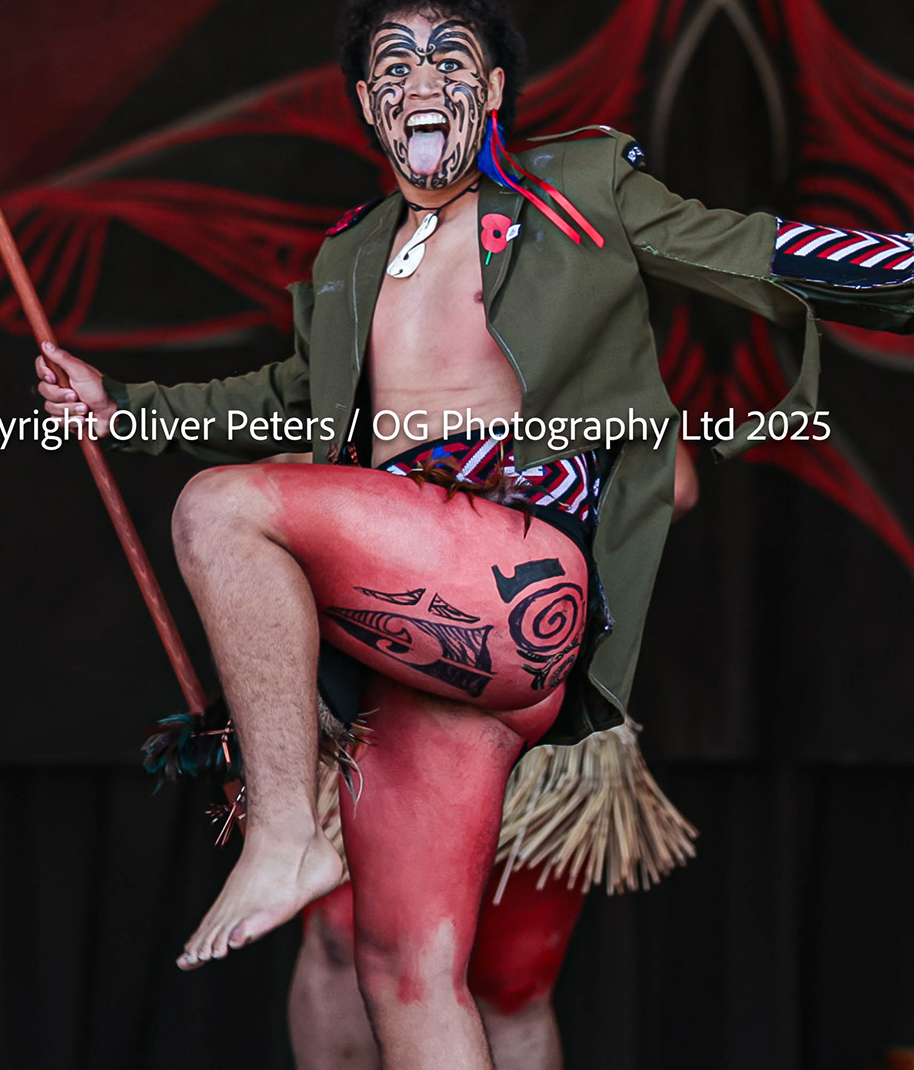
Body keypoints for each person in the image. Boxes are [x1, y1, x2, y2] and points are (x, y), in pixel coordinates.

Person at [37, 0, 914, 1068]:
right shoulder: (349, 254)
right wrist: (120, 405)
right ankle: (306, 831)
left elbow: (753, 244)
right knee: (406, 967)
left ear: (493, 91)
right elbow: (288, 394)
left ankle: (288, 826)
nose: (421, 80)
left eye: (449, 59)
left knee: (221, 507)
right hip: (433, 651)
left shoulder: (577, 191)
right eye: (393, 66)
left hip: (513, 574)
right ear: (365, 105)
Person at [289, 451, 701, 1070]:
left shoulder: (586, 389)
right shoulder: (366, 388)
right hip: (379, 689)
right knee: (345, 941)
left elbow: (677, 483)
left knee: (514, 976)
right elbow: (288, 470)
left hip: (539, 711)